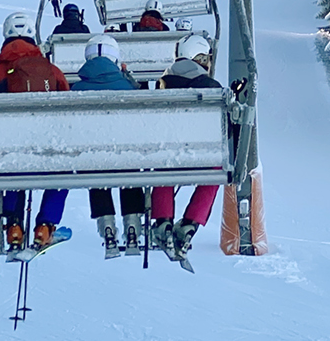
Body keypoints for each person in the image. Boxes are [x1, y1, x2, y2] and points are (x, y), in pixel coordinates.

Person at [0, 12, 73, 249]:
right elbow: (68, 108)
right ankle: (46, 225)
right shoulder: (52, 71)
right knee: (63, 172)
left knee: (10, 169)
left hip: (9, 148)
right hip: (47, 146)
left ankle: (13, 225)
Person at [149, 35, 222, 268]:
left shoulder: (162, 84)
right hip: (203, 159)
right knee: (216, 169)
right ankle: (191, 223)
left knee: (165, 161)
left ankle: (163, 221)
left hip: (170, 157)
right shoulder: (212, 88)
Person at [73, 38, 144, 255]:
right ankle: (132, 222)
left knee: (95, 165)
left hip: (94, 157)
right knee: (129, 161)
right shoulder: (128, 88)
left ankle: (107, 225)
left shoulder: (77, 89)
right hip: (126, 156)